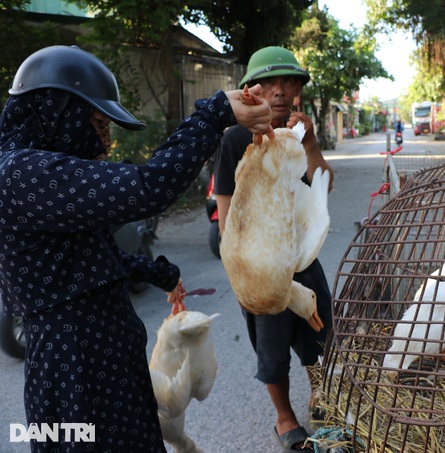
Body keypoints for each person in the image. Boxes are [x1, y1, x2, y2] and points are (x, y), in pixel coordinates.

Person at [0, 45, 272, 452]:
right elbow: (147, 188)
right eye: (98, 123)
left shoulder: (42, 174)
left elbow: (88, 259)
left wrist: (161, 273)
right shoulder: (19, 173)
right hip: (74, 366)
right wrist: (214, 114)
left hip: (105, 360)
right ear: (59, 112)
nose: (105, 142)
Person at [213, 46, 334, 452]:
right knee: (272, 349)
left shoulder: (298, 135)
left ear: (297, 90)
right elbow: (228, 215)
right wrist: (241, 277)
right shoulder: (233, 139)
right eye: (270, 84)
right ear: (251, 91)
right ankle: (284, 417)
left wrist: (312, 144)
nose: (280, 92)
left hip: (303, 259)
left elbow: (323, 187)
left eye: (288, 83)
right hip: (261, 269)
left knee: (321, 335)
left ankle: (323, 399)